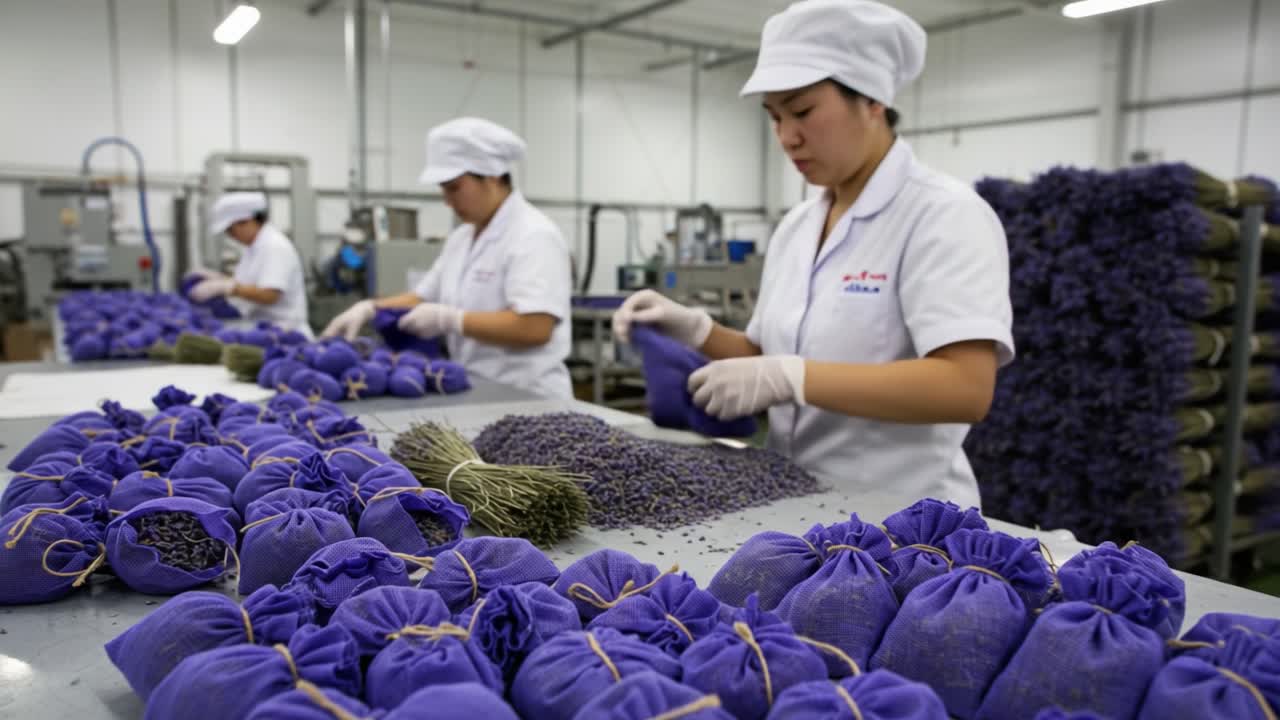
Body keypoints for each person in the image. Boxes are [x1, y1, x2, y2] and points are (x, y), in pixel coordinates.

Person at [613, 0, 1014, 509]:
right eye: (774, 117)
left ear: (871, 100)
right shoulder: (798, 226)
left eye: (802, 111)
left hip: (904, 522)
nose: (787, 137)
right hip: (791, 505)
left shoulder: (943, 215)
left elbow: (964, 387)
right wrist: (697, 330)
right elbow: (766, 356)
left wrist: (791, 378)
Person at [322, 117, 573, 399]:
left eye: (454, 187)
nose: (446, 200)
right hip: (475, 389)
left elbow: (535, 327)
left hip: (530, 396)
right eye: (443, 189)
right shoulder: (461, 239)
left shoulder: (533, 235)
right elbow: (423, 297)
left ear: (491, 175)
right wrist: (371, 308)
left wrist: (451, 320)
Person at [191, 191, 311, 336]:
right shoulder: (254, 247)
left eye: (231, 229)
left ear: (246, 220)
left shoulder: (274, 246)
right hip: (265, 330)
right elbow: (250, 282)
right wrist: (219, 278)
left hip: (285, 334)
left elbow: (270, 295)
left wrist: (229, 287)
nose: (230, 235)